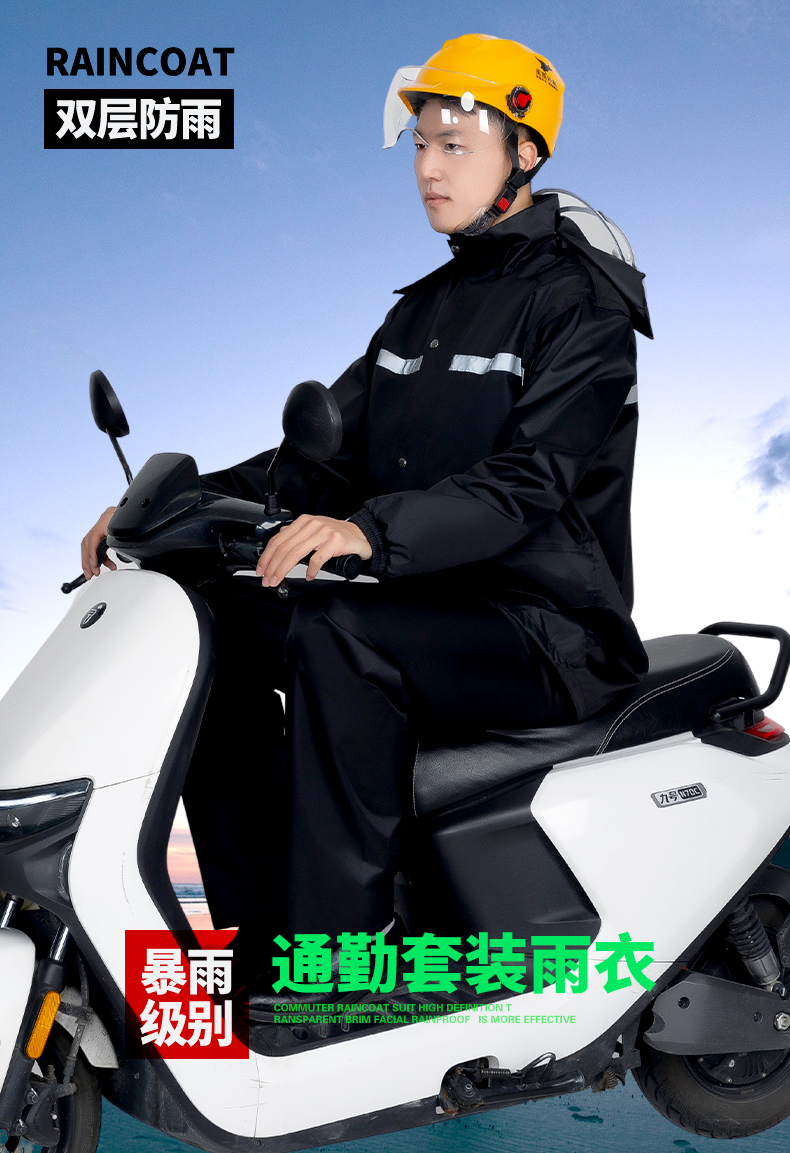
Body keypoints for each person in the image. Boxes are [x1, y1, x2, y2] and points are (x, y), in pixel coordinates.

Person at [81, 34, 651, 1007]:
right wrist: (168, 510)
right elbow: (320, 455)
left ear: (523, 152)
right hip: (429, 599)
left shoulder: (579, 302)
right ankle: (262, 939)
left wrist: (370, 534)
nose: (428, 167)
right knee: (209, 621)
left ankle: (345, 965)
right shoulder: (421, 312)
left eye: (454, 145)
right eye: (421, 145)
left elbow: (532, 481)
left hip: (545, 626)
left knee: (340, 632)